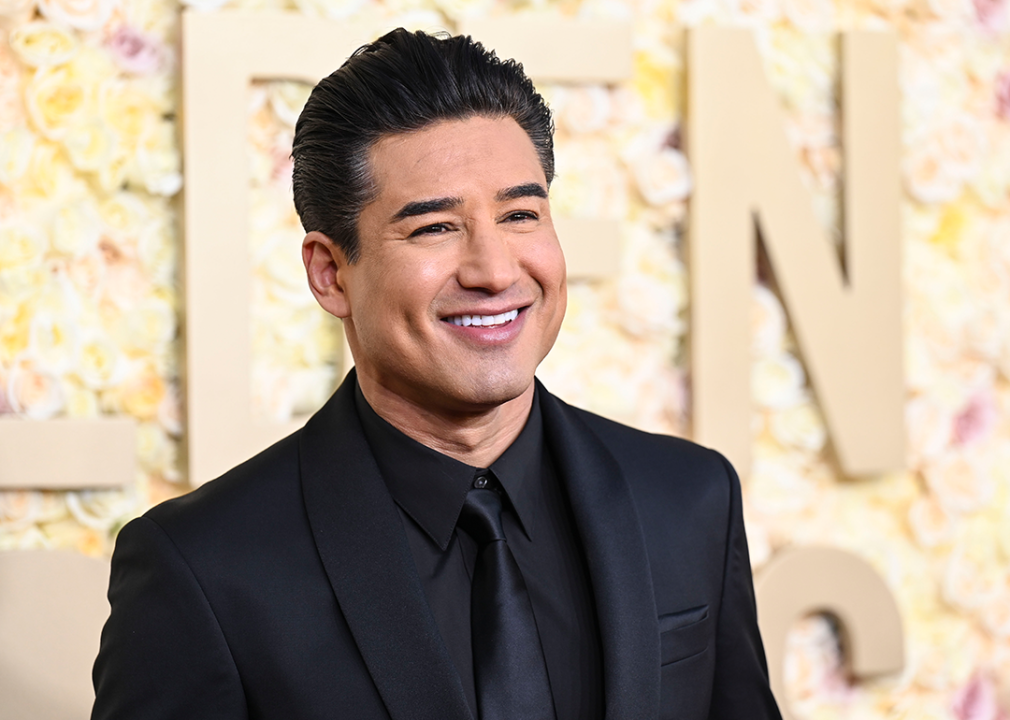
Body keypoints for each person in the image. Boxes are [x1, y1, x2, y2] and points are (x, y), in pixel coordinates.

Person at [91, 29, 781, 720]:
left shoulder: (689, 500)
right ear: (331, 274)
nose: (495, 270)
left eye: (520, 214)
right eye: (434, 229)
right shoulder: (203, 569)